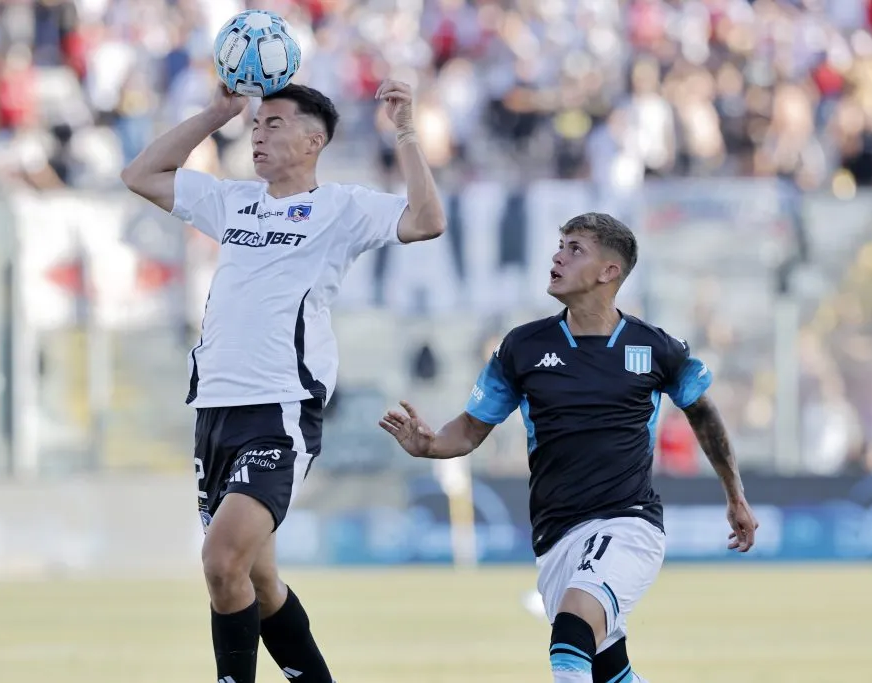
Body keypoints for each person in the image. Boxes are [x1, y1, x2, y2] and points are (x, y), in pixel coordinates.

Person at [122, 80, 446, 683]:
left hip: (279, 410)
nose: (259, 133)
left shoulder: (342, 208)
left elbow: (426, 220)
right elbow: (142, 174)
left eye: (273, 123)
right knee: (258, 580)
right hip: (214, 410)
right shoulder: (234, 201)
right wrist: (215, 114)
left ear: (312, 139)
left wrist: (405, 131)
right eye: (255, 125)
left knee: (221, 563)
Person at [380, 212, 758, 683]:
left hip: (628, 523)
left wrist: (735, 494)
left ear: (608, 272)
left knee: (572, 632)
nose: (557, 256)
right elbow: (473, 428)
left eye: (575, 248)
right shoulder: (522, 347)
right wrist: (431, 444)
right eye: (560, 244)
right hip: (556, 536)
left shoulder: (655, 348)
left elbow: (703, 413)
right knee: (608, 669)